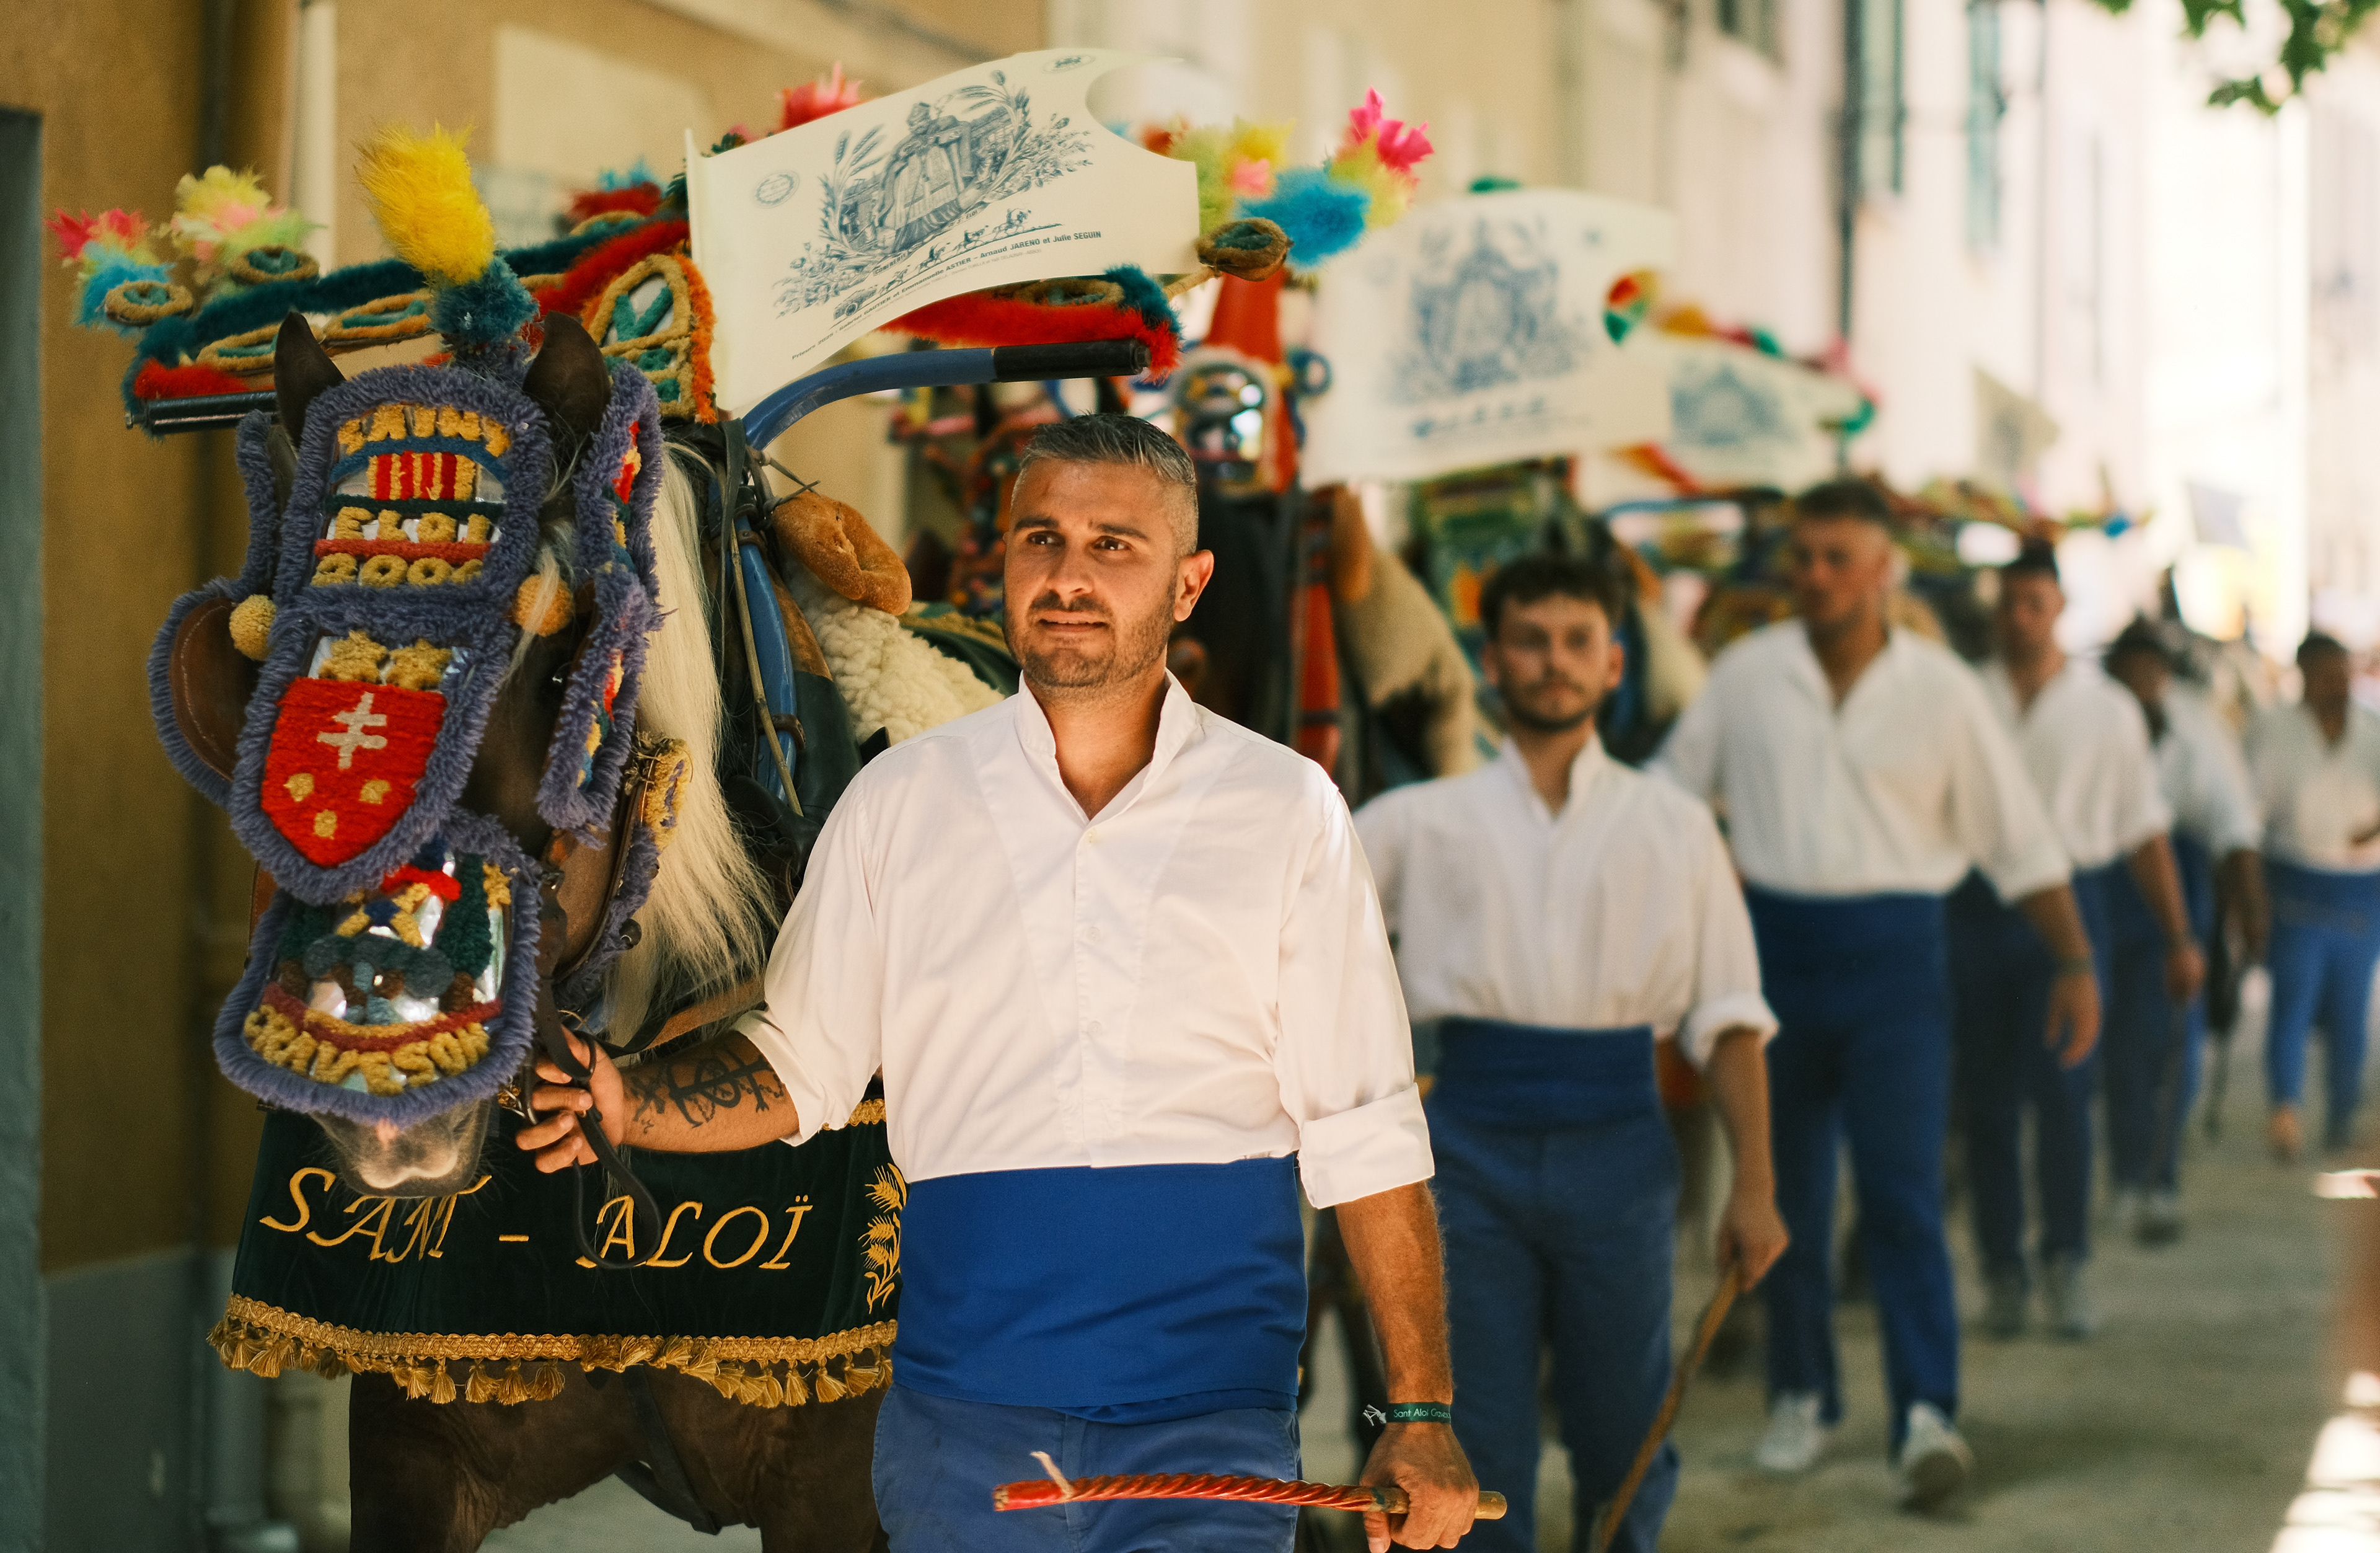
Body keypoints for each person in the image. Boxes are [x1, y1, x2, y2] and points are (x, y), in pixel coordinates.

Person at [516, 414, 1479, 1553]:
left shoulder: (1286, 810)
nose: (1069, 575)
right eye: (1042, 539)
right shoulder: (898, 801)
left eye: (1114, 545)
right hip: (960, 1436)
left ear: (1189, 583)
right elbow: (803, 1063)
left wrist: (1421, 1414)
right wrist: (628, 1101)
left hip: (1210, 1434)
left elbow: (1364, 1130)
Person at [1655, 479, 2091, 1511]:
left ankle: (1925, 1413)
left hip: (1899, 962)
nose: (1815, 576)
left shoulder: (1942, 691)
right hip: (1775, 957)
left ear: (1884, 570)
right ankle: (1800, 1393)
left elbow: (2019, 840)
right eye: (1803, 557)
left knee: (1901, 1195)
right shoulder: (1748, 675)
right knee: (1784, 1193)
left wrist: (2075, 961)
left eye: (1837, 559)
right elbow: (1665, 802)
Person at [1355, 554, 1790, 1553]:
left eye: (1577, 641)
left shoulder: (1677, 827)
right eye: (1531, 641)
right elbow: (1298, 940)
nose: (1554, 661)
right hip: (1465, 1143)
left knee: (1624, 1421)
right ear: (1492, 661)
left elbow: (1728, 1014)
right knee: (1473, 1423)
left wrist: (1756, 1186)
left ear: (1613, 664)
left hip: (1621, 1139)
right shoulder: (1415, 822)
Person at [1955, 548, 2202, 1343]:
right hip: (1978, 906)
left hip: (2075, 903)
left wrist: (2178, 936)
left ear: (2060, 608)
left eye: (2036, 602)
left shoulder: (2106, 709)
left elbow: (2143, 831)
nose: (2021, 617)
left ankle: (2065, 1260)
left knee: (2065, 1092)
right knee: (1987, 1101)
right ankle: (2002, 1269)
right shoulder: (1964, 694)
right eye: (2010, 603)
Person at [2101, 621, 2265, 1242]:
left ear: (2167, 676)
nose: (2141, 683)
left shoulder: (2197, 727)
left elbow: (2233, 819)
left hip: (2180, 880)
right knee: (2118, 1047)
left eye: (2152, 671)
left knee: (2172, 1040)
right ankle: (2126, 1174)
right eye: (2129, 672)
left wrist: (2249, 905)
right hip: (2104, 880)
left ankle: (2161, 1177)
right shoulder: (2097, 718)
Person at [2247, 632, 2380, 1161]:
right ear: (2303, 676)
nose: (2336, 685)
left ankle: (2342, 1114)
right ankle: (2286, 1107)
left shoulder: (2371, 729)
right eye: (2325, 675)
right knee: (2293, 998)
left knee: (2350, 1006)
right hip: (2294, 873)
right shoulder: (2273, 730)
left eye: (2342, 673)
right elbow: (2248, 814)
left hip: (2361, 883)